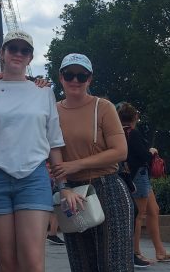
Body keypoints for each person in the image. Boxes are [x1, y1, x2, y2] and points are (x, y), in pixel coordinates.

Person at [0, 31, 64, 272]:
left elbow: (54, 141)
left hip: (33, 177)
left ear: (31, 57)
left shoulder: (44, 92)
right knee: (7, 262)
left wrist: (63, 187)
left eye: (25, 51)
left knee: (33, 262)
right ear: (2, 53)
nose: (18, 54)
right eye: (13, 49)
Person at [55, 53, 133, 272]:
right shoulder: (53, 110)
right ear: (61, 77)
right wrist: (62, 187)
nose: (75, 80)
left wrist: (77, 164)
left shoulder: (103, 107)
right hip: (72, 192)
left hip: (108, 187)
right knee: (82, 264)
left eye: (82, 76)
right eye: (69, 74)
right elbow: (52, 153)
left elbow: (120, 151)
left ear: (90, 79)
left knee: (116, 263)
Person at [117, 103, 170, 264]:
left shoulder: (119, 133)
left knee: (153, 209)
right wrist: (151, 152)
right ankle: (135, 253)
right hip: (139, 175)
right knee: (139, 215)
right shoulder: (133, 134)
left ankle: (160, 251)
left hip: (133, 175)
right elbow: (142, 156)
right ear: (135, 117)